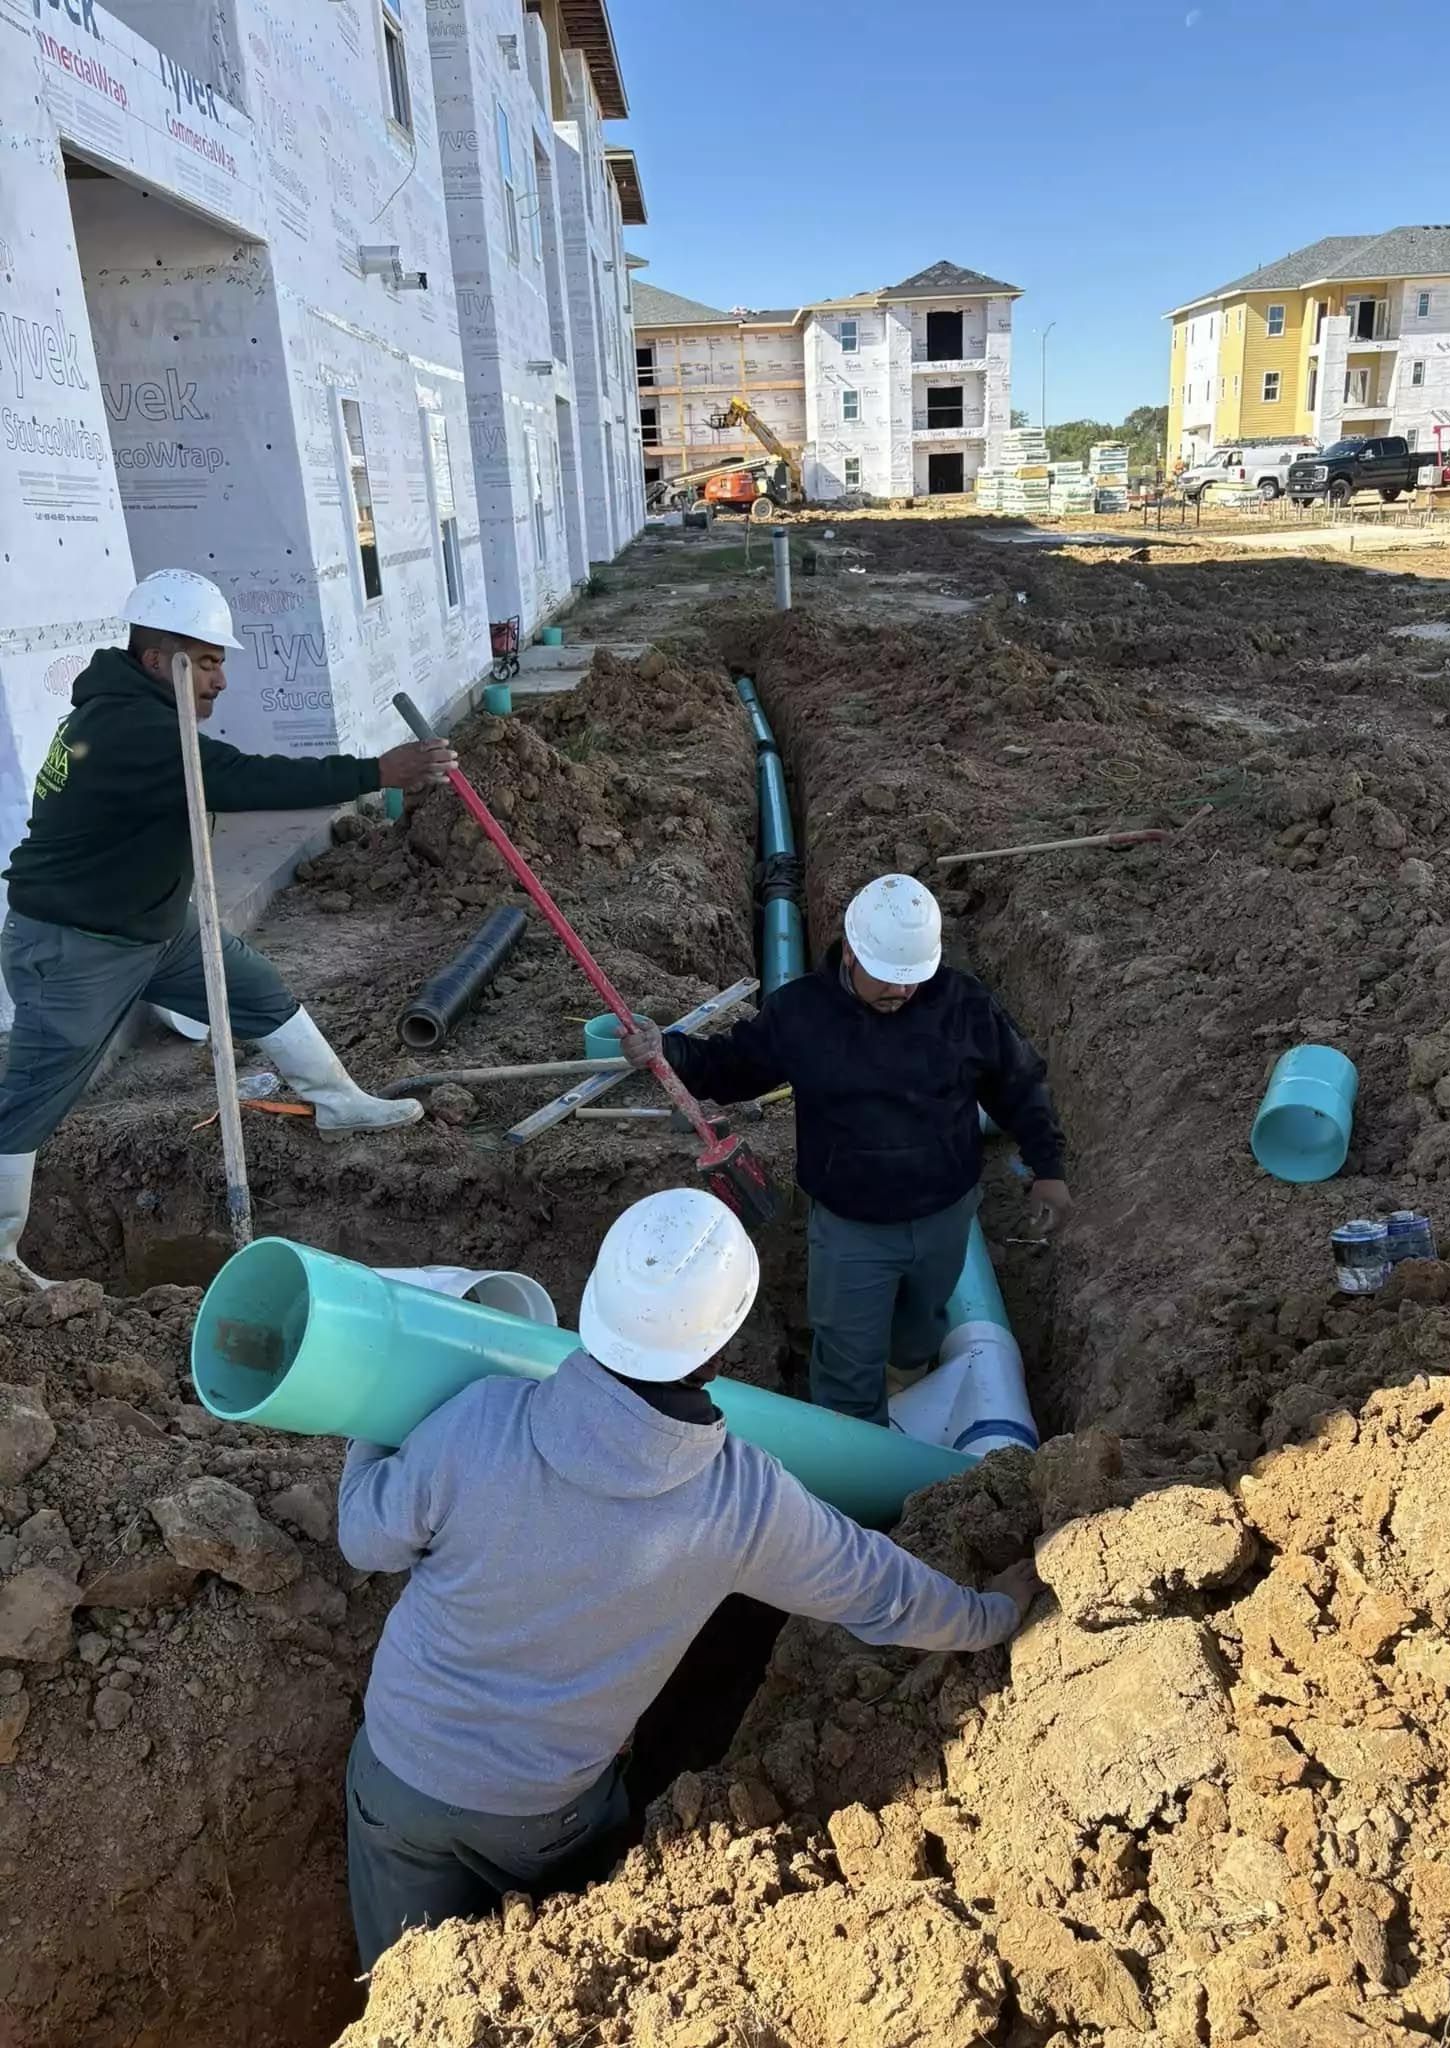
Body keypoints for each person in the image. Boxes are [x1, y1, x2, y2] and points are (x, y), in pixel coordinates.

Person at [338, 1187, 1036, 1971]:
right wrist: (992, 1615)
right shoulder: (744, 1501)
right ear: (726, 1339)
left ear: (596, 1303)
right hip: (544, 1816)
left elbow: (364, 1539)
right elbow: (883, 1593)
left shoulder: (477, 1420)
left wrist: (372, 1409)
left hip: (395, 1775)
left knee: (405, 1999)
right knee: (568, 1979)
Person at [0, 568, 456, 1286]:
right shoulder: (132, 729)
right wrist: (379, 770)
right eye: (208, 663)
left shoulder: (125, 707)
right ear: (160, 662)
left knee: (256, 990)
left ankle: (337, 1102)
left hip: (148, 927)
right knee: (30, 1097)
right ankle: (2, 1257)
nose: (219, 681)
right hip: (77, 945)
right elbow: (246, 780)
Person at [622, 874, 1068, 1425]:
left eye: (913, 979)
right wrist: (668, 1048)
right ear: (853, 952)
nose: (902, 992)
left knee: (921, 1331)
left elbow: (1019, 1083)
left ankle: (906, 1388)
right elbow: (731, 1066)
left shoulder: (963, 1006)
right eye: (889, 978)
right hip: (852, 1231)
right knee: (849, 1364)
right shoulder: (804, 1014)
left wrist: (1047, 1166)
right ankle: (854, 1466)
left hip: (946, 1217)